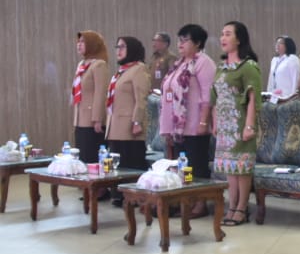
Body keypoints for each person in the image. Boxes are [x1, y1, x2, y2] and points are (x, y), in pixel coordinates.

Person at [210, 21, 261, 227]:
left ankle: (242, 207)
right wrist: (214, 123)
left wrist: (249, 126)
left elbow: (253, 98)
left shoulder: (248, 66)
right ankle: (231, 206)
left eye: (228, 34)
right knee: (230, 169)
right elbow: (214, 98)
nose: (223, 38)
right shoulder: (221, 68)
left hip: (240, 125)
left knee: (242, 168)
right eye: (222, 34)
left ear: (239, 39)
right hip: (224, 127)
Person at [160, 23, 216, 182]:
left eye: (185, 40)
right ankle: (185, 199)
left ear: (197, 43)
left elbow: (208, 96)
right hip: (178, 129)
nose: (180, 44)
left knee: (196, 166)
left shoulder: (203, 62)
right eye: (179, 40)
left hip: (194, 126)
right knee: (182, 168)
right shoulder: (179, 64)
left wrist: (204, 122)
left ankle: (199, 202)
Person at [105, 36, 150, 203]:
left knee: (132, 161)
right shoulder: (121, 70)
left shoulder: (139, 69)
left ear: (132, 49)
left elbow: (141, 98)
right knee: (118, 162)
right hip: (115, 125)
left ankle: (135, 196)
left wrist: (137, 121)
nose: (118, 50)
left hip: (130, 125)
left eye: (122, 47)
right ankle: (119, 194)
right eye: (117, 47)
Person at [71, 30, 110, 162]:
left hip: (92, 121)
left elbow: (101, 92)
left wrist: (97, 118)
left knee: (90, 158)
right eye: (78, 42)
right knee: (81, 158)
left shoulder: (99, 64)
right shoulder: (81, 65)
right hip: (80, 118)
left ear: (92, 44)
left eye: (83, 42)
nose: (79, 45)